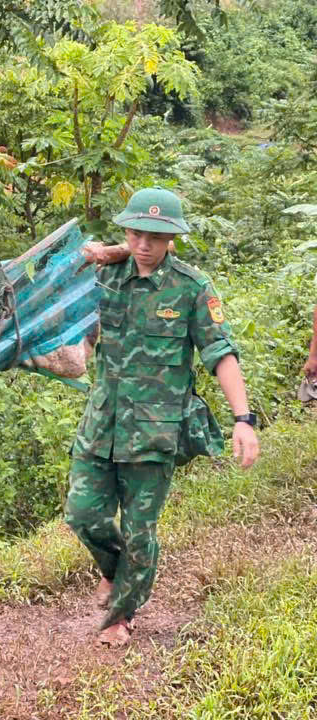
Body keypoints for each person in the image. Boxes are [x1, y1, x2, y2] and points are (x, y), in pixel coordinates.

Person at [65, 188, 260, 648]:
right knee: (82, 513)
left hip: (154, 431)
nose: (145, 244)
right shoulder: (106, 277)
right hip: (102, 422)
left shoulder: (192, 288)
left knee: (139, 529)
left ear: (172, 237)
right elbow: (71, 312)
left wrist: (243, 419)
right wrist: (100, 253)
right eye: (135, 234)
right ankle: (115, 572)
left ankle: (121, 616)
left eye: (155, 236)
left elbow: (220, 354)